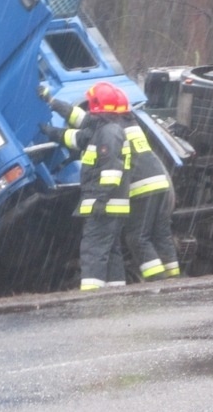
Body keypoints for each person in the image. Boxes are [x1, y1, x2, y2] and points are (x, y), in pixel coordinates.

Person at [39, 83, 180, 281]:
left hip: (140, 188)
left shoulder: (108, 130)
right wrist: (52, 103)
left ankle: (159, 284)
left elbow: (79, 136)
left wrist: (51, 131)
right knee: (159, 234)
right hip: (160, 184)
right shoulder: (125, 121)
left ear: (97, 108)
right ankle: (174, 281)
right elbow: (81, 121)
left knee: (137, 238)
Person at [40, 82, 132, 290]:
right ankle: (116, 296)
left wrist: (100, 200)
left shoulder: (107, 132)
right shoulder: (102, 128)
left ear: (96, 105)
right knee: (110, 252)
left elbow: (111, 170)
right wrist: (51, 116)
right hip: (111, 206)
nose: (88, 108)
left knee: (93, 250)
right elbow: (74, 134)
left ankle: (92, 299)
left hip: (103, 206)